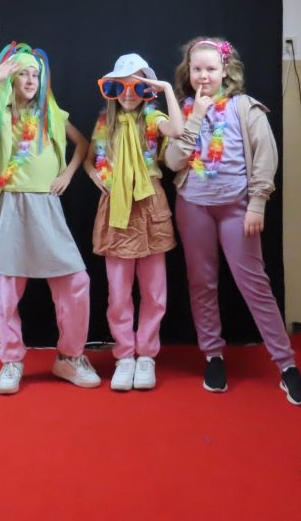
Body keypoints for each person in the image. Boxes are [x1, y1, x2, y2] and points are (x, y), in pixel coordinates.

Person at [165, 37, 301, 406]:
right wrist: (194, 116)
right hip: (192, 206)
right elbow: (172, 161)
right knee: (201, 283)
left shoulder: (245, 107)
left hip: (237, 206)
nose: (203, 76)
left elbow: (265, 156)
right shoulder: (181, 110)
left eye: (211, 69)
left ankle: (286, 365)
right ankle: (213, 355)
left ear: (225, 71)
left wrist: (257, 203)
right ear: (188, 72)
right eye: (197, 69)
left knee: (255, 285)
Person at [0, 42, 100, 395]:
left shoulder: (52, 116)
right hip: (11, 208)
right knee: (8, 294)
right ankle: (12, 360)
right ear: (10, 80)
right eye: (23, 74)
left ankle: (70, 357)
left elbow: (82, 144)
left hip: (46, 207)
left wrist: (67, 175)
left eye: (35, 74)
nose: (30, 80)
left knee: (76, 282)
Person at [85, 53, 183, 391]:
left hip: (149, 204)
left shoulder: (153, 118)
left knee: (155, 292)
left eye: (137, 86)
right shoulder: (105, 122)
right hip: (117, 206)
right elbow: (90, 159)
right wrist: (96, 177)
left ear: (147, 89)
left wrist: (166, 88)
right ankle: (125, 355)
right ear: (112, 90)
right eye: (121, 86)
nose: (128, 94)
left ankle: (147, 356)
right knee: (118, 293)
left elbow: (178, 130)